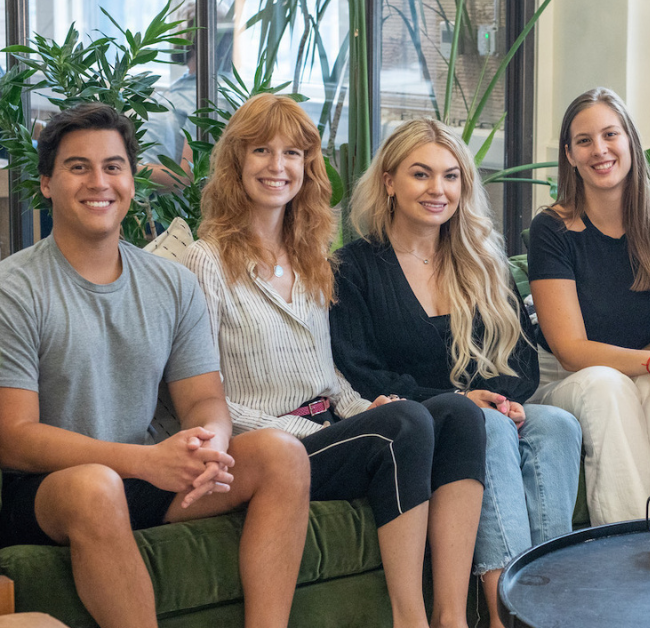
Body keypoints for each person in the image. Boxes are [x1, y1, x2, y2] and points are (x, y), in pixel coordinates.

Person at [182, 94, 487, 628]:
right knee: (406, 422)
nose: (278, 166)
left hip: (329, 429)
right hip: (269, 443)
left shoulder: (312, 257)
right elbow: (206, 396)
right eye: (261, 151)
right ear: (236, 162)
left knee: (458, 414)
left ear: (308, 167)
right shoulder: (207, 262)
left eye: (293, 154)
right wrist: (301, 426)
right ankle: (409, 620)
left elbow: (329, 376)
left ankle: (453, 617)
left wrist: (367, 406)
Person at [0, 103, 310, 628]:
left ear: (131, 180)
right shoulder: (16, 288)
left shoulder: (171, 284)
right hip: (43, 488)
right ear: (48, 183)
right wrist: (143, 462)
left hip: (138, 474)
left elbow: (204, 399)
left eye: (113, 166)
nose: (99, 182)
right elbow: (13, 436)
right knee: (95, 486)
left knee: (282, 454)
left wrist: (207, 442)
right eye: (78, 167)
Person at [330, 118, 581, 628]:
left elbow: (523, 357)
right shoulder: (354, 266)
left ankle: (549, 598)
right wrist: (464, 403)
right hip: (421, 423)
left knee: (558, 425)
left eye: (450, 176)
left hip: (488, 412)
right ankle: (502, 611)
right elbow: (356, 369)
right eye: (421, 174)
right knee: (483, 425)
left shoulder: (481, 261)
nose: (437, 190)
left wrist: (504, 399)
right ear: (389, 181)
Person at [527, 87, 650, 524]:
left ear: (630, 141)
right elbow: (570, 350)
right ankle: (627, 547)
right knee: (608, 384)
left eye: (610, 134)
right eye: (584, 141)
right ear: (569, 154)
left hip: (635, 368)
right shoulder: (552, 229)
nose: (599, 150)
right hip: (557, 376)